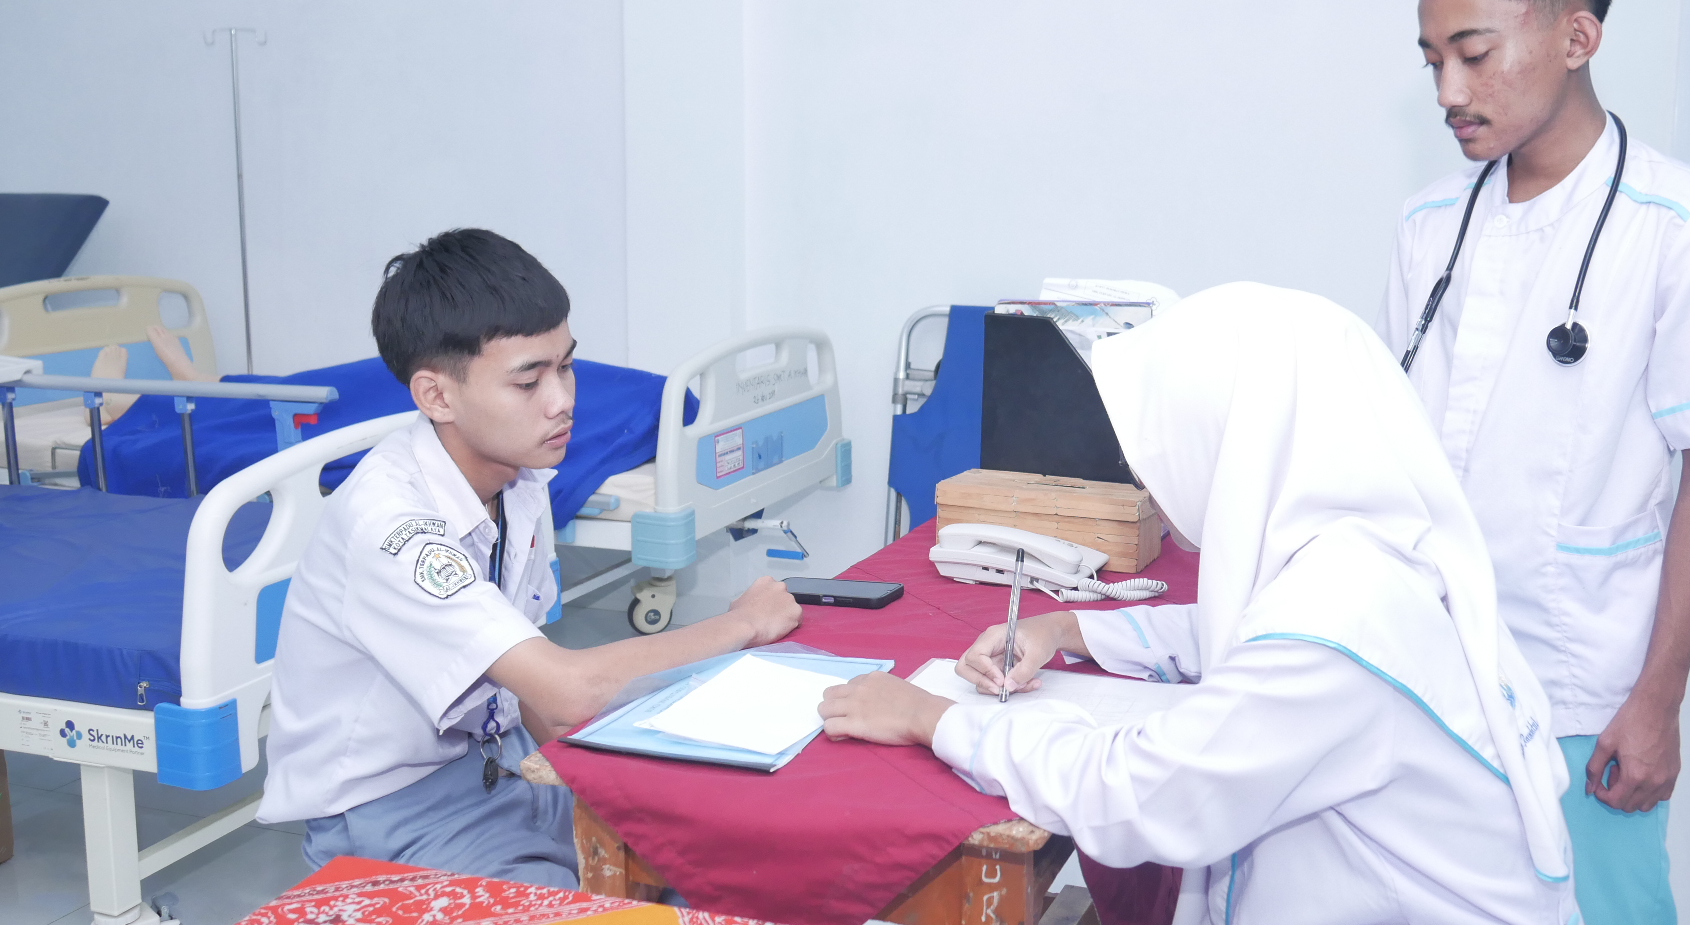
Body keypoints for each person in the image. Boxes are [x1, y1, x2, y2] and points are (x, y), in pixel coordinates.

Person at [822, 283, 1578, 925]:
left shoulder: (1338, 630)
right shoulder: (1367, 558)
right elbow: (1239, 632)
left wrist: (932, 719)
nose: (1143, 480)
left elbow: (1137, 796)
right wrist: (1067, 627)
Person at [1381, 0, 1690, 925]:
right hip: (1425, 676)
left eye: (1474, 54)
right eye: (1432, 62)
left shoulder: (1686, 225)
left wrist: (1659, 697)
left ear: (1578, 37)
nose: (1449, 90)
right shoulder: (1429, 226)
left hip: (1581, 688)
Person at [257, 228, 801, 886]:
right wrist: (741, 625)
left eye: (565, 366)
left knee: (725, 855)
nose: (562, 400)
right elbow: (567, 690)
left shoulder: (520, 479)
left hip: (508, 767)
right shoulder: (393, 528)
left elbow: (533, 687)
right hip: (394, 819)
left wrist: (605, 783)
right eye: (528, 381)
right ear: (437, 396)